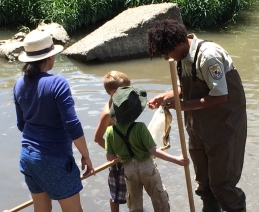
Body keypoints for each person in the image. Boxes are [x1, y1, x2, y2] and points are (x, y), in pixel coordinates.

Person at [146, 19, 247, 212]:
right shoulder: (180, 58)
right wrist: (168, 96)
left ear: (177, 43)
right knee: (205, 184)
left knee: (223, 185)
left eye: (167, 52)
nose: (167, 57)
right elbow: (185, 87)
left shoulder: (208, 56)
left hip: (225, 126)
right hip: (198, 128)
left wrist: (182, 106)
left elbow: (220, 96)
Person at [13, 30, 94, 212]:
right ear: (49, 58)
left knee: (41, 210)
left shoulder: (18, 84)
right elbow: (72, 125)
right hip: (54, 159)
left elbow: (21, 124)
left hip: (28, 158)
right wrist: (86, 156)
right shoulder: (58, 83)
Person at [105, 85, 190, 212]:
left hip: (129, 170)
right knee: (159, 198)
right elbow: (154, 151)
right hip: (147, 167)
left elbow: (110, 158)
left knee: (135, 203)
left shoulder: (110, 131)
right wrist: (177, 160)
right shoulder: (140, 128)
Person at [93, 70, 131, 212]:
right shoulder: (108, 114)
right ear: (114, 92)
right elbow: (97, 138)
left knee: (131, 188)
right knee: (116, 193)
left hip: (129, 155)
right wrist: (114, 154)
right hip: (118, 160)